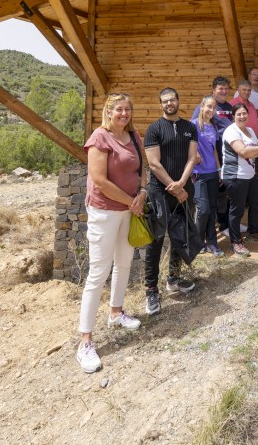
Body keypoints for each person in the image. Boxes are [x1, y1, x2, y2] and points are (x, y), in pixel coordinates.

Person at [76, 93, 145, 374]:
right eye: (119, 109)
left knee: (124, 263)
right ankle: (85, 342)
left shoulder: (133, 136)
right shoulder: (100, 138)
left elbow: (142, 169)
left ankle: (116, 312)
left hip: (129, 210)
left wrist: (140, 193)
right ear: (108, 111)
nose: (124, 113)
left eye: (128, 109)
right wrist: (131, 201)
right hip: (105, 212)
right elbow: (101, 181)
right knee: (98, 272)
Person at [142, 88, 199, 317]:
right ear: (160, 105)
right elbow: (154, 164)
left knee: (180, 236)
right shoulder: (154, 129)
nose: (169, 103)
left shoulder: (189, 128)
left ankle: (173, 278)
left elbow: (192, 158)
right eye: (164, 101)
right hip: (159, 192)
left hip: (184, 190)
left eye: (172, 99)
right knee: (155, 241)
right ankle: (151, 290)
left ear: (178, 101)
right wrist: (174, 187)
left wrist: (183, 183)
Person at [221, 106, 258, 255]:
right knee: (237, 210)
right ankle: (235, 242)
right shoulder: (231, 131)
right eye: (238, 114)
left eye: (244, 113)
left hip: (249, 174)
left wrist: (256, 150)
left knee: (256, 203)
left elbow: (254, 153)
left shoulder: (249, 131)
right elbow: (243, 151)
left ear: (248, 115)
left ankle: (253, 231)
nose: (242, 116)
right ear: (233, 116)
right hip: (235, 175)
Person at [192, 96, 225, 257]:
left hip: (212, 172)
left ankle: (212, 242)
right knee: (203, 209)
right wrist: (194, 152)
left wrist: (219, 169)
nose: (211, 110)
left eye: (214, 108)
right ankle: (198, 242)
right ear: (202, 106)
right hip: (198, 174)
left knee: (212, 209)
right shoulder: (192, 126)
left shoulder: (213, 126)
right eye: (209, 107)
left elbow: (214, 151)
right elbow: (186, 145)